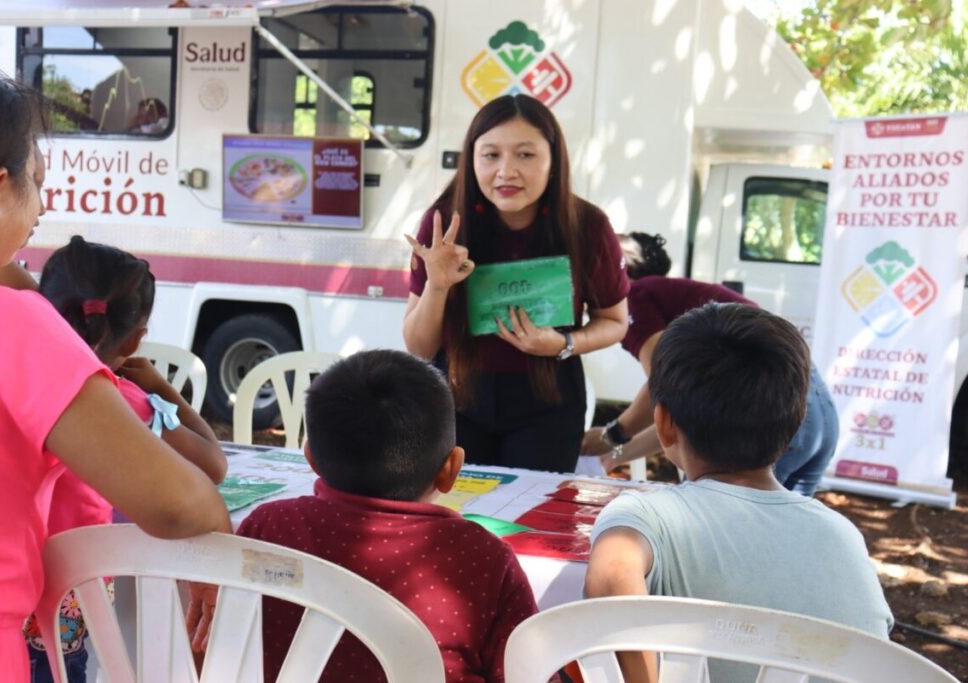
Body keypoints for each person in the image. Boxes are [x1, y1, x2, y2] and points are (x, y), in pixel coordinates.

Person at [0, 51, 231, 681]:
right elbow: (177, 501)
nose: (42, 207)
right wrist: (217, 531)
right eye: (37, 182)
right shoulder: (14, 327)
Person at [187, 350, 539, 682]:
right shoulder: (484, 558)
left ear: (310, 459)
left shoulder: (268, 525)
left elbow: (222, 646)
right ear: (451, 470)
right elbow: (529, 672)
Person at [585, 303, 893, 683]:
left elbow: (613, 572)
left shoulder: (650, 515)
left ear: (663, 425)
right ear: (795, 423)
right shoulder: (843, 534)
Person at [20, 236, 228, 681]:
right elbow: (214, 465)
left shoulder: (14, 378)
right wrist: (162, 388)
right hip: (72, 591)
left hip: (10, 581)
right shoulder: (127, 400)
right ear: (135, 340)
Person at [404, 94, 629, 473]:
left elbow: (615, 322)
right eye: (490, 155)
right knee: (458, 519)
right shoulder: (443, 222)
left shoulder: (587, 226)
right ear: (471, 160)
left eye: (525, 155)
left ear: (553, 161)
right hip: (456, 399)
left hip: (549, 401)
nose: (506, 171)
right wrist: (437, 286)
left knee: (529, 524)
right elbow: (419, 347)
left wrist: (562, 344)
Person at [580, 231, 838, 495]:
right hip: (816, 410)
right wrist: (614, 455)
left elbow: (666, 389)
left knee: (718, 520)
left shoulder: (635, 296)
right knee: (778, 530)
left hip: (772, 412)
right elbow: (677, 418)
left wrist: (611, 436)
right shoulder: (673, 295)